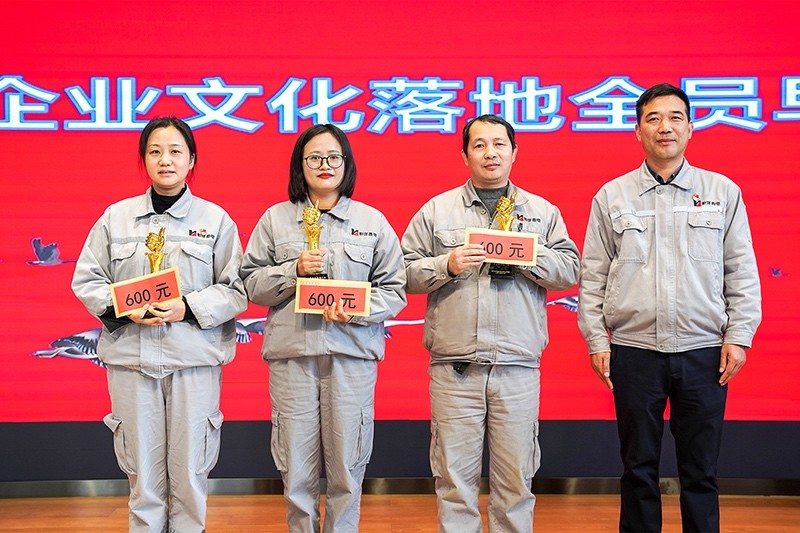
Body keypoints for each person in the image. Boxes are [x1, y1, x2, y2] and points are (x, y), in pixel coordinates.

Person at [577, 83, 762, 532]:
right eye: (654, 118)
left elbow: (741, 270)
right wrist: (597, 340)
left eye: (676, 117)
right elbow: (593, 276)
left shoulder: (722, 191)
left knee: (701, 470)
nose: (665, 127)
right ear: (638, 130)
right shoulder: (612, 196)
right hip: (634, 350)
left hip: (704, 351)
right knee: (637, 468)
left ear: (691, 128)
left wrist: (739, 336)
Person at [402, 114, 580, 532]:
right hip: (455, 369)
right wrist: (447, 264)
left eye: (499, 144)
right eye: (479, 145)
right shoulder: (437, 210)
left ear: (515, 152)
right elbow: (403, 272)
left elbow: (570, 269)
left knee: (516, 483)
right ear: (465, 155)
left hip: (517, 368)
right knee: (454, 484)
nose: (490, 153)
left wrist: (527, 254)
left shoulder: (542, 211)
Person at [71, 116, 248, 532]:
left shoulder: (215, 220)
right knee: (143, 479)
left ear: (191, 160)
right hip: (132, 364)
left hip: (193, 363)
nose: (165, 160)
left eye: (174, 151)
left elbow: (235, 289)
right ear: (144, 160)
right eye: (155, 151)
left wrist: (186, 307)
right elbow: (87, 280)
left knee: (190, 475)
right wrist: (122, 306)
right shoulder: (115, 218)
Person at [239, 124, 407, 532]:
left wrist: (356, 309)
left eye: (334, 157)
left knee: (347, 468)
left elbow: (395, 290)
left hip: (351, 357)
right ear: (300, 165)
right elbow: (250, 284)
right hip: (292, 359)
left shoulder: (371, 221)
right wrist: (292, 270)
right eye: (314, 158)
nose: (324, 165)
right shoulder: (276, 219)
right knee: (296, 468)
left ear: (346, 164)